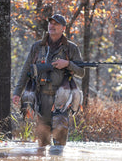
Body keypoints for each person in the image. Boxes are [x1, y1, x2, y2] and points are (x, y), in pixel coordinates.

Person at [13, 14, 84, 147]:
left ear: (63, 28)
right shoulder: (37, 47)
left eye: (56, 24)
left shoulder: (71, 48)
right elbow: (26, 71)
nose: (52, 26)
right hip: (41, 98)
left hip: (61, 100)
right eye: (50, 23)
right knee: (42, 145)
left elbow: (81, 72)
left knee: (59, 145)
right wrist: (17, 92)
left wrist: (67, 64)